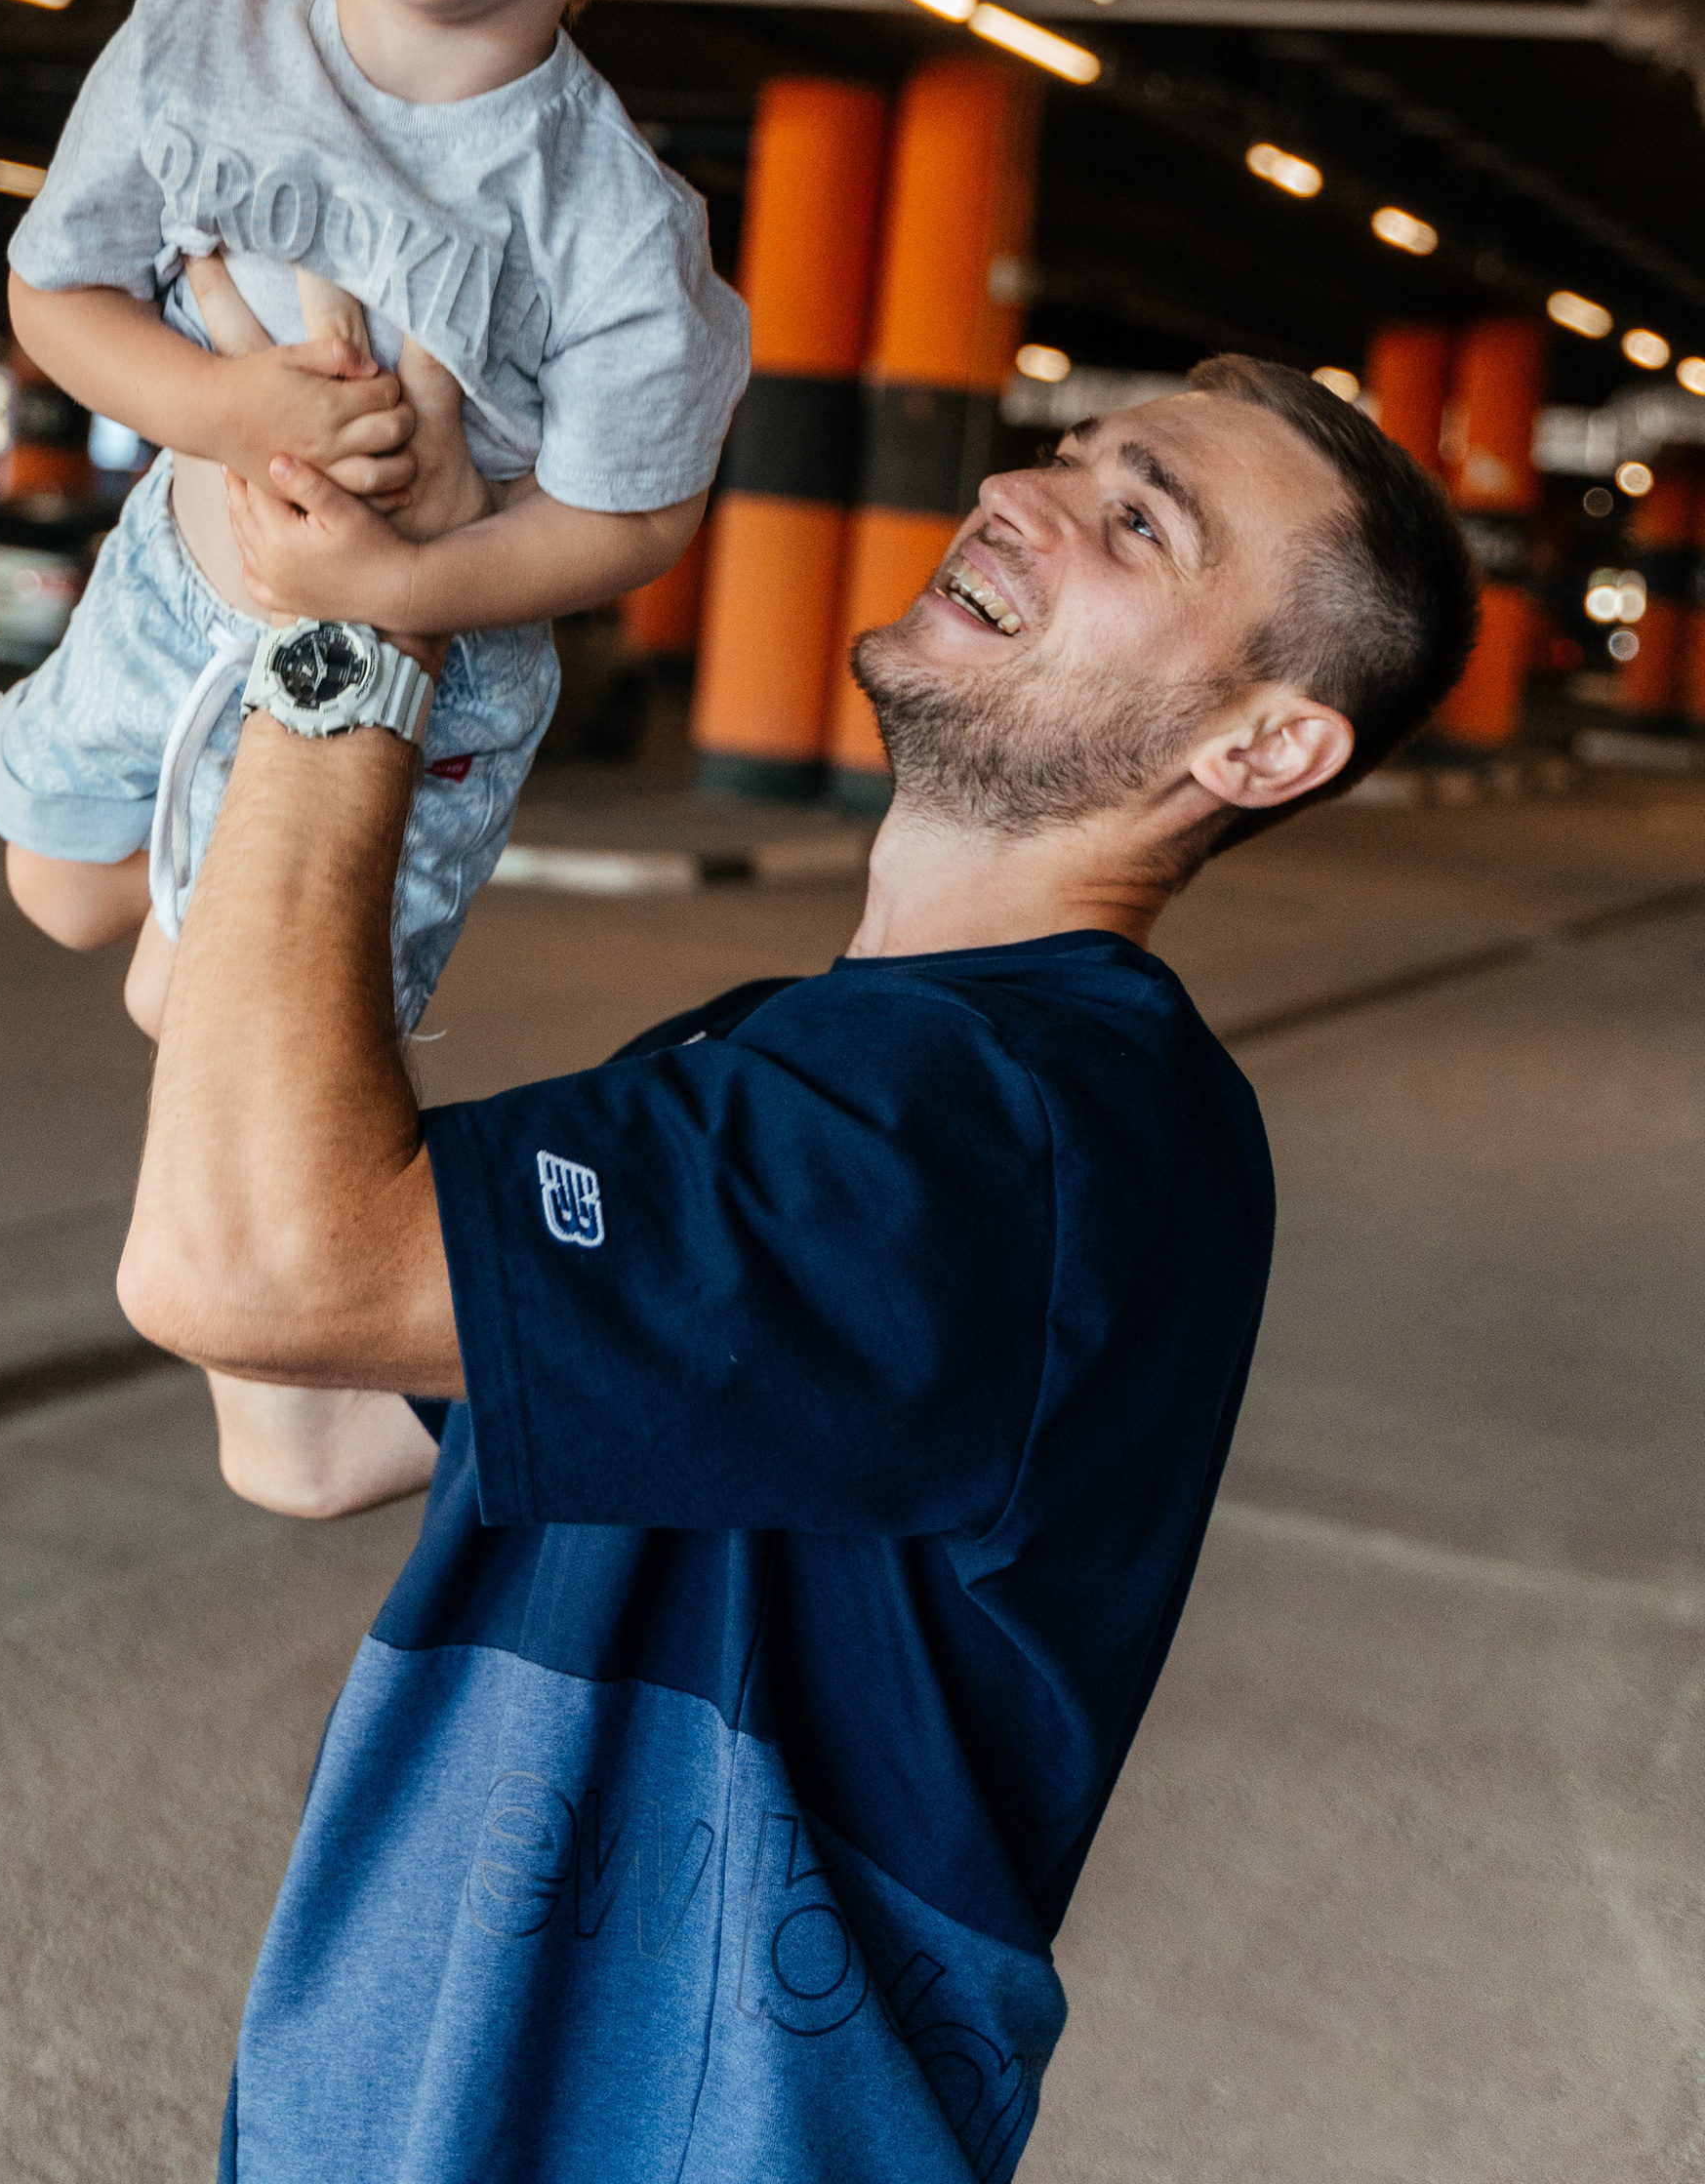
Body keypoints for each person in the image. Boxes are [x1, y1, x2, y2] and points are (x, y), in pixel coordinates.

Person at [115, 353, 1480, 2181]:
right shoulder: (805, 1061)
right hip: (395, 2108)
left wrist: (359, 638)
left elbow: (258, 1272)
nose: (1028, 492)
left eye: (1140, 521)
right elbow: (307, 1434)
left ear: (1259, 745)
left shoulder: (1004, 1116)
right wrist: (231, 977)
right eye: (1074, 454)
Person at [0, 0, 749, 1037]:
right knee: (55, 884)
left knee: (213, 1019)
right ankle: (187, 860)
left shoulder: (618, 220)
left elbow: (639, 514)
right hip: (176, 584)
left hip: (420, 675)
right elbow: (51, 293)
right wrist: (220, 404)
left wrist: (398, 585)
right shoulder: (193, 47)